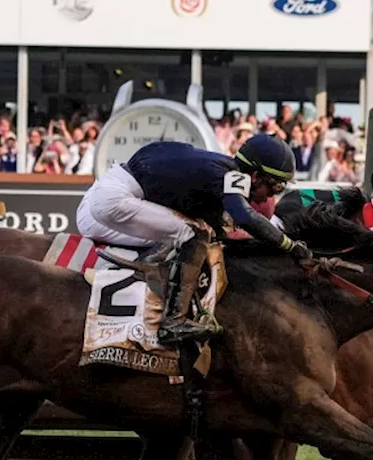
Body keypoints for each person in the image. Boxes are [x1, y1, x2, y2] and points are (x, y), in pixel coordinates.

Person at [75, 134, 311, 345]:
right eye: (275, 187)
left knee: (196, 232)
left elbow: (222, 228)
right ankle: (172, 322)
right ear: (256, 176)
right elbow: (245, 217)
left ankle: (148, 279)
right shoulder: (232, 175)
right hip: (111, 201)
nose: (270, 196)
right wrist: (288, 245)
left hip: (101, 198)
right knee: (191, 235)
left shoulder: (218, 168)